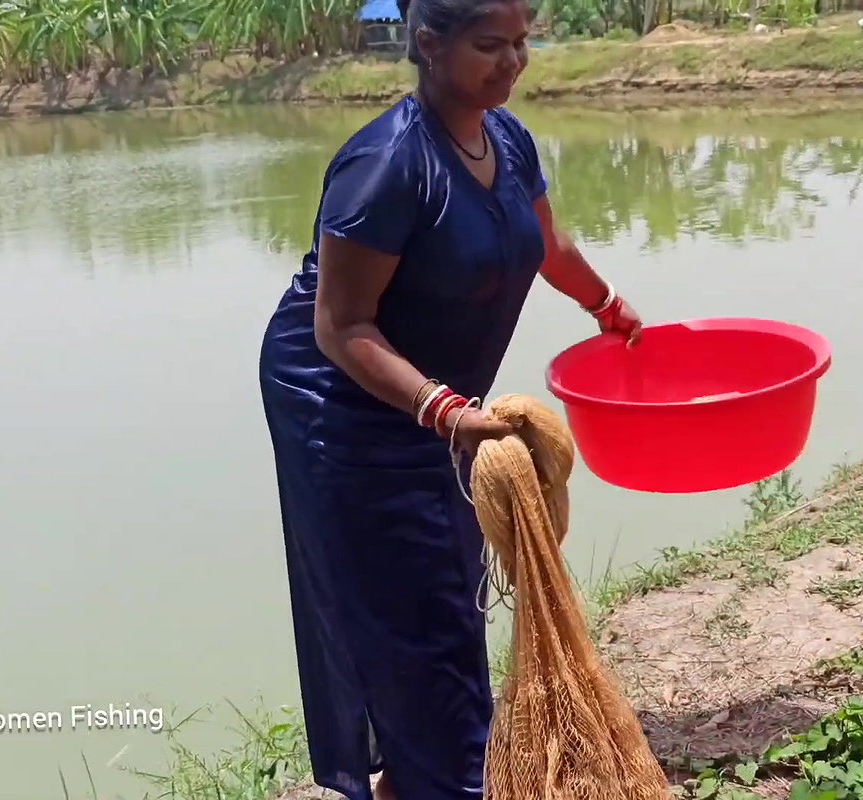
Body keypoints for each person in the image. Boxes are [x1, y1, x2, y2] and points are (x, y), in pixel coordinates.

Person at [256, 0, 642, 795]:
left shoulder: (506, 137)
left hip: (440, 400)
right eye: (490, 45)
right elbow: (341, 323)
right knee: (409, 601)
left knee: (447, 581)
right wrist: (445, 410)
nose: (514, 63)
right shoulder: (386, 165)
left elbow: (548, 244)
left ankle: (419, 765)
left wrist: (606, 306)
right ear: (429, 45)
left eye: (522, 43)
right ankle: (444, 773)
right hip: (344, 397)